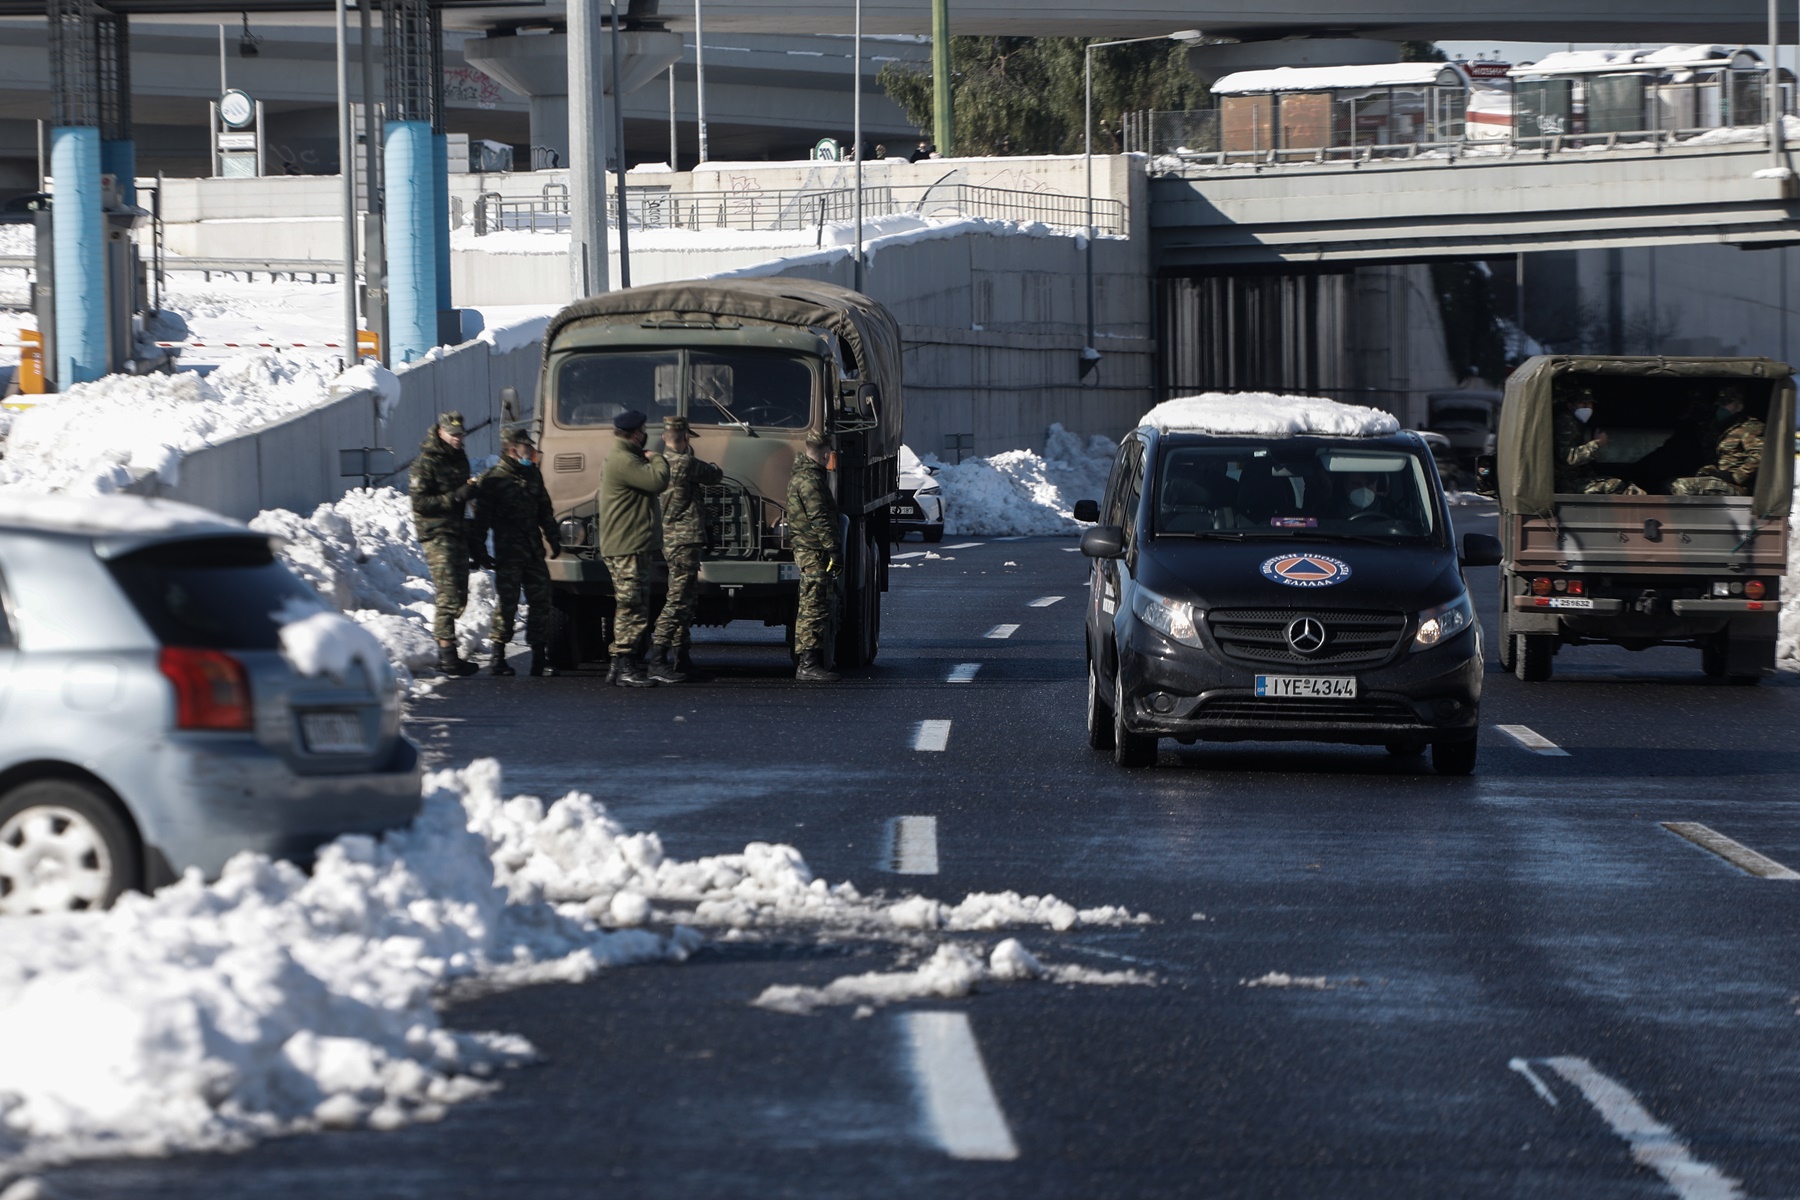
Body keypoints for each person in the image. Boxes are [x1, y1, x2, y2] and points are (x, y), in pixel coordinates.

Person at [475, 428, 562, 678]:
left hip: (533, 549)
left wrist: (552, 537)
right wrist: (479, 548)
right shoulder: (494, 479)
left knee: (541, 600)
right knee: (508, 603)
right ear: (513, 450)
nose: (532, 453)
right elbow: (482, 518)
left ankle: (539, 656)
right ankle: (498, 656)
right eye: (527, 449)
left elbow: (544, 508)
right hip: (508, 552)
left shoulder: (532, 473)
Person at [598, 408, 671, 687]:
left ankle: (618, 666)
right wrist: (658, 457)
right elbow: (658, 480)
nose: (645, 434)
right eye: (643, 430)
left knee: (631, 604)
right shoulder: (623, 459)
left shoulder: (624, 457)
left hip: (629, 543)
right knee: (632, 606)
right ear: (636, 433)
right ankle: (626, 665)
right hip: (627, 545)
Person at [648, 416, 723, 683]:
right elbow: (715, 475)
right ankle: (658, 658)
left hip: (670, 540)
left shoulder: (658, 464)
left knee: (686, 599)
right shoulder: (685, 463)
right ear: (686, 438)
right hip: (685, 540)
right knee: (678, 601)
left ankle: (682, 657)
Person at [409, 410, 480, 677]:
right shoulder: (425, 463)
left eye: (460, 434)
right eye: (453, 435)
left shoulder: (458, 458)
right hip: (436, 534)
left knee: (460, 594)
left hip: (457, 531)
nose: (458, 439)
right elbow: (420, 503)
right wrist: (455, 497)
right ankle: (447, 655)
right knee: (448, 594)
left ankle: (447, 651)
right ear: (440, 432)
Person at [787, 430, 840, 682]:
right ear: (826, 453)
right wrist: (834, 549)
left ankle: (807, 661)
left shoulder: (802, 476)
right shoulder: (810, 481)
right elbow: (820, 518)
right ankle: (808, 664)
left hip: (808, 549)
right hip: (813, 551)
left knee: (810, 604)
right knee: (814, 606)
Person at [1669, 389, 1765, 496]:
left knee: (1683, 486)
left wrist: (1735, 476)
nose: (1720, 406)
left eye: (1726, 402)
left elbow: (1759, 456)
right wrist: (1709, 471)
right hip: (1723, 481)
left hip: (1741, 487)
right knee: (1669, 483)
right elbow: (1718, 460)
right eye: (1720, 402)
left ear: (1740, 405)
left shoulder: (1751, 427)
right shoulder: (1722, 429)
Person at [1552, 390, 1644, 495]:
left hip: (1572, 479)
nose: (1587, 407)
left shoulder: (1576, 423)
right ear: (1570, 406)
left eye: (1589, 403)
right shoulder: (1566, 422)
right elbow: (1569, 458)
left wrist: (1593, 476)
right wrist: (1597, 443)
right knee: (1614, 485)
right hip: (1564, 483)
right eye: (1582, 403)